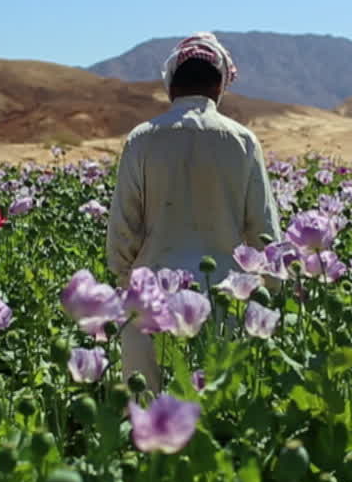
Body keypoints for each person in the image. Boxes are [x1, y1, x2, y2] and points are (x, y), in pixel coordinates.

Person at [106, 32, 282, 391]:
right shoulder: (242, 141)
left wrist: (128, 287)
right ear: (220, 86)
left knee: (152, 422)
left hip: (150, 306)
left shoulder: (142, 139)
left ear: (171, 86)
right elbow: (265, 233)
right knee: (215, 426)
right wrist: (268, 298)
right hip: (224, 306)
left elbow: (122, 233)